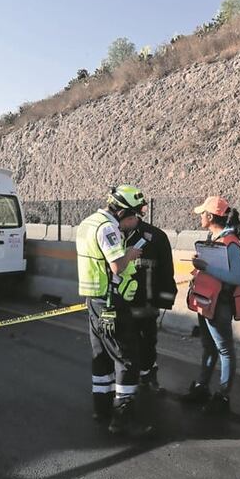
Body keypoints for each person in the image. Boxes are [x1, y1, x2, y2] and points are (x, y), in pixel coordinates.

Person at [75, 185, 149, 436]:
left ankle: (101, 408)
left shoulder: (88, 223)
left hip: (93, 300)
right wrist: (131, 253)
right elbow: (117, 266)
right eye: (135, 214)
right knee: (127, 357)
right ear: (123, 211)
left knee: (102, 355)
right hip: (110, 301)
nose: (136, 220)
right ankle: (123, 418)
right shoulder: (108, 228)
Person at [180, 196, 240, 415]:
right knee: (209, 347)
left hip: (218, 305)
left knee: (225, 350)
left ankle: (223, 396)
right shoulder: (216, 238)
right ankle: (203, 387)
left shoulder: (231, 244)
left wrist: (205, 267)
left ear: (210, 216)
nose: (200, 216)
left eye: (202, 213)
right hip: (206, 302)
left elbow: (236, 277)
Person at [124, 213, 177, 392]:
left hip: (146, 303)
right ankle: (129, 375)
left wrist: (165, 300)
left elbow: (166, 272)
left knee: (147, 341)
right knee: (124, 341)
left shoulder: (156, 237)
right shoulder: (112, 234)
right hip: (121, 303)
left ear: (132, 215)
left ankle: (147, 372)